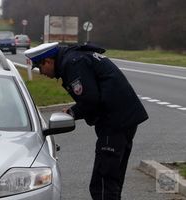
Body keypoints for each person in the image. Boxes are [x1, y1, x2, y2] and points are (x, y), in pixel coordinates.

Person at [24, 42, 148, 200]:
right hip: (123, 120)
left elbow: (90, 99)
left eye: (40, 68)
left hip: (114, 123)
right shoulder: (77, 57)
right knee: (111, 181)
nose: (41, 73)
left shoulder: (73, 63)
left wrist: (72, 112)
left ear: (48, 61)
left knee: (102, 185)